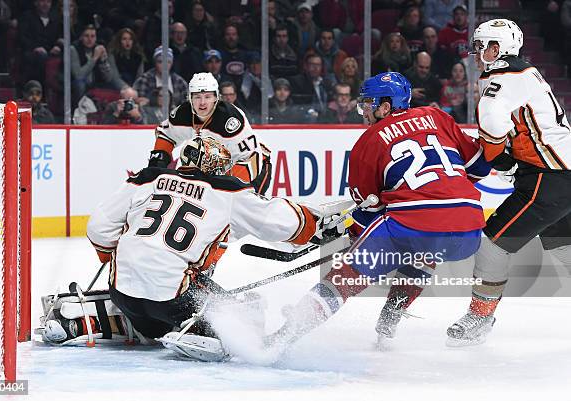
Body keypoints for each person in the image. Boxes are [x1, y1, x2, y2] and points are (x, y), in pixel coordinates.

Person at [264, 72, 491, 349]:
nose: (364, 112)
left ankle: (283, 336)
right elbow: (480, 166)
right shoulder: (439, 117)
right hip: (470, 229)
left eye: (368, 104)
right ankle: (390, 320)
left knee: (342, 279)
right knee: (424, 247)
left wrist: (350, 237)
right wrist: (447, 190)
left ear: (386, 106)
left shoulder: (368, 141)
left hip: (416, 224)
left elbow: (369, 206)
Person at [85, 136, 323, 356]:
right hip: (173, 299)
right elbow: (281, 222)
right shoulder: (228, 192)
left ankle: (116, 323)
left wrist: (113, 258)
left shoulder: (147, 179)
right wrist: (314, 224)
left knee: (147, 313)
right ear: (217, 166)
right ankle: (201, 332)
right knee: (238, 313)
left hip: (121, 292)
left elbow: (98, 226)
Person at [446, 19, 571, 346]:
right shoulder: (527, 71)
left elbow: (493, 134)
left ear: (497, 49)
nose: (476, 54)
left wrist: (490, 154)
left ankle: (479, 317)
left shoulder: (498, 81)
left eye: (481, 46)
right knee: (565, 247)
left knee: (492, 243)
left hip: (550, 178)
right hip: (559, 172)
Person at [148, 72, 272, 196]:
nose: (202, 103)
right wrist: (157, 164)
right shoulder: (182, 114)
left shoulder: (230, 119)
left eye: (207, 97)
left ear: (216, 98)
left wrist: (226, 187)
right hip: (216, 167)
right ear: (190, 98)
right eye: (197, 97)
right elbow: (166, 135)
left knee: (241, 209)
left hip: (256, 165)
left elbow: (251, 158)